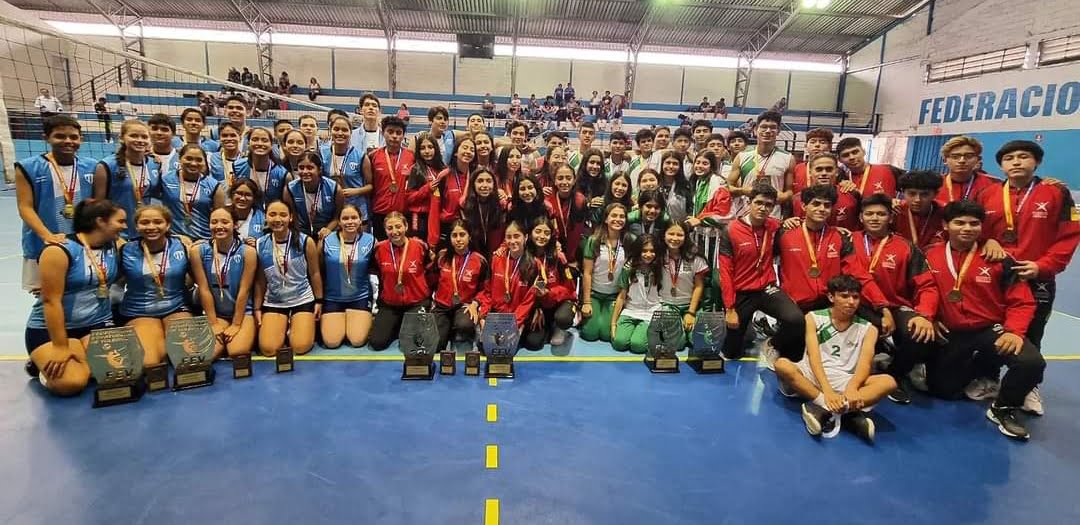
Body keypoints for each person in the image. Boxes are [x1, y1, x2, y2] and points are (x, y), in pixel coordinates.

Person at [924, 201, 1045, 440]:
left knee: (1030, 362)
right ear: (945, 225)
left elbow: (1022, 301)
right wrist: (931, 317)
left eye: (974, 223)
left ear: (982, 227)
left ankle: (1003, 408)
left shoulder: (999, 258)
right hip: (951, 329)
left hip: (990, 328)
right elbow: (922, 290)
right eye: (959, 223)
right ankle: (979, 373)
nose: (967, 228)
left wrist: (1014, 332)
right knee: (943, 391)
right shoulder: (930, 254)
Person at [974, 141, 1079, 414]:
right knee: (993, 325)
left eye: (1024, 157)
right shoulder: (987, 194)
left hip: (1036, 275)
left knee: (1032, 332)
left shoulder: (1056, 193)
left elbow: (1069, 236)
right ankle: (988, 376)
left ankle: (1027, 386)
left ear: (1037, 162)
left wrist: (1043, 266)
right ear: (1001, 165)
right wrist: (988, 241)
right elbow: (974, 228)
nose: (1017, 162)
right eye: (1010, 158)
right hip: (997, 274)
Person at [774, 275, 896, 442]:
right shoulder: (813, 318)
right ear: (831, 297)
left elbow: (865, 363)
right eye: (844, 296)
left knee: (888, 382)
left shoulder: (869, 329)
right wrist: (828, 392)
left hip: (845, 381)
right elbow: (813, 356)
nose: (851, 302)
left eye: (855, 297)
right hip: (814, 375)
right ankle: (840, 411)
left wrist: (852, 388)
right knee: (782, 365)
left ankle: (821, 409)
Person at [24, 199, 125, 393]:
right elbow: (50, 301)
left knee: (119, 372)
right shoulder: (59, 250)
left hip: (97, 324)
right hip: (52, 331)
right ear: (101, 221)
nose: (124, 226)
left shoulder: (114, 245)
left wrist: (182, 240)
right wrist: (61, 347)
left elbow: (146, 246)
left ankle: (81, 359)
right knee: (72, 383)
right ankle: (43, 367)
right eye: (120, 221)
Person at [849, 194, 939, 404]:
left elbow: (927, 285)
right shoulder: (848, 240)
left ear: (890, 217)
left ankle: (894, 374)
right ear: (861, 217)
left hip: (895, 306)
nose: (874, 218)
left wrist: (925, 314)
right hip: (855, 304)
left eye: (881, 214)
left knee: (919, 333)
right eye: (869, 214)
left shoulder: (906, 247)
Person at [717, 184, 805, 363]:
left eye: (768, 205)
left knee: (796, 320)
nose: (763, 208)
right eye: (758, 202)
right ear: (749, 202)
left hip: (766, 288)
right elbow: (725, 271)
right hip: (741, 292)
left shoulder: (774, 226)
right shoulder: (731, 230)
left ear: (773, 207)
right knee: (730, 353)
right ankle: (742, 334)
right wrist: (730, 308)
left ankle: (773, 343)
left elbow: (803, 228)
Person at [15, 115, 98, 293]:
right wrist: (47, 235)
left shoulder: (92, 166)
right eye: (60, 136)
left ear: (81, 139)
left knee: (82, 289)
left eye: (74, 137)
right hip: (43, 243)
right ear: (46, 138)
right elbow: (25, 207)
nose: (68, 141)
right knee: (47, 295)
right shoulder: (28, 167)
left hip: (82, 242)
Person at [116, 205, 193, 366]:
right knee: (149, 362)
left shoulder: (182, 246)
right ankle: (157, 344)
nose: (151, 227)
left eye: (158, 222)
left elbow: (198, 279)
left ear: (168, 225)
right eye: (145, 223)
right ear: (136, 226)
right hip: (139, 312)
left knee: (187, 356)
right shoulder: (125, 250)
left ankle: (163, 345)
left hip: (176, 308)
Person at [254, 200, 323, 356]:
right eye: (272, 214)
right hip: (274, 301)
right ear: (266, 217)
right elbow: (260, 281)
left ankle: (294, 327)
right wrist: (258, 308)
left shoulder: (305, 241)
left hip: (302, 299)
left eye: (283, 215)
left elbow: (315, 273)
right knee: (269, 349)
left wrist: (319, 301)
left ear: (290, 218)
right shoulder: (260, 244)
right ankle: (283, 327)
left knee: (300, 347)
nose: (277, 219)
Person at [190, 207, 258, 359]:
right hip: (216, 313)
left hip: (242, 312)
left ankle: (246, 331)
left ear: (235, 225)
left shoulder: (248, 252)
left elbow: (244, 291)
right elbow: (204, 289)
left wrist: (236, 324)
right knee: (204, 355)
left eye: (225, 222)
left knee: (237, 351)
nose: (219, 226)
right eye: (214, 222)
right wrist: (213, 323)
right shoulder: (198, 251)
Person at [370, 212, 432, 351]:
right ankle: (398, 324)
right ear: (385, 230)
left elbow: (430, 273)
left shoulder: (420, 247)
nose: (394, 231)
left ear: (406, 226)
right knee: (377, 343)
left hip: (416, 302)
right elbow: (378, 276)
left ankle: (407, 325)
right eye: (389, 228)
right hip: (390, 304)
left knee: (410, 345)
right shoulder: (379, 249)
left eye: (398, 226)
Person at [92, 119, 161, 239]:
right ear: (122, 138)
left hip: (144, 231)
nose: (139, 140)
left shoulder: (154, 164)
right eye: (134, 136)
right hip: (117, 234)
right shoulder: (106, 166)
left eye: (144, 137)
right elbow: (98, 205)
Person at [318, 204, 375, 348]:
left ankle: (365, 319)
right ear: (339, 222)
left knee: (357, 341)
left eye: (354, 217)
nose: (350, 221)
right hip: (333, 298)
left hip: (360, 297)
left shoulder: (370, 241)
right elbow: (318, 269)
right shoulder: (326, 240)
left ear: (361, 220)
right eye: (345, 218)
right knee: (331, 342)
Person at [580, 204, 634, 342]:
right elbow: (587, 273)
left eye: (622, 216)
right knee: (589, 334)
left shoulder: (629, 241)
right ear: (606, 219)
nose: (618, 219)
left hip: (614, 296)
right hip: (594, 294)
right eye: (614, 216)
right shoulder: (594, 240)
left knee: (605, 334)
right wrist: (586, 302)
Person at [728, 111, 795, 220]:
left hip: (772, 217)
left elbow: (789, 191)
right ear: (755, 130)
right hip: (746, 215)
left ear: (778, 131)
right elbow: (728, 187)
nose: (768, 131)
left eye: (773, 127)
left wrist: (783, 196)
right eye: (764, 127)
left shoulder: (788, 158)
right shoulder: (742, 156)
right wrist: (744, 191)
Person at [521, 217, 576, 349]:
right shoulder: (523, 257)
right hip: (535, 306)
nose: (542, 236)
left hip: (557, 304)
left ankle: (559, 327)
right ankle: (546, 326)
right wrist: (536, 308)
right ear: (530, 234)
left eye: (546, 233)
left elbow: (569, 289)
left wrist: (550, 293)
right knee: (533, 344)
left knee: (563, 318)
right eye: (538, 231)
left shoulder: (558, 257)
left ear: (552, 236)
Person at [477, 221, 537, 342]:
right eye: (509, 237)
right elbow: (488, 291)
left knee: (532, 343)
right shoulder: (496, 259)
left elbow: (528, 301)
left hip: (517, 317)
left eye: (516, 236)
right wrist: (483, 317)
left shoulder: (533, 265)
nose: (512, 241)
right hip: (497, 315)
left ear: (525, 237)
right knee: (487, 347)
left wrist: (515, 324)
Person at [432, 220, 487, 352]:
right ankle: (447, 329)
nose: (458, 239)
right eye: (454, 235)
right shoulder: (442, 257)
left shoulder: (479, 260)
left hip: (464, 305)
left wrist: (475, 304)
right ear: (450, 238)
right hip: (441, 306)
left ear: (469, 237)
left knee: (464, 326)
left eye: (462, 235)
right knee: (436, 345)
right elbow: (431, 281)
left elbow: (485, 289)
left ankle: (459, 328)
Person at [160, 144, 226, 240]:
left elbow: (219, 218)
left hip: (204, 240)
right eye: (189, 158)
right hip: (175, 240)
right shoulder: (166, 180)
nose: (193, 163)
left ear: (205, 162)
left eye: (199, 160)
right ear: (180, 159)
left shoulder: (214, 185)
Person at [363, 116, 414, 239]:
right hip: (380, 212)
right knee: (382, 249)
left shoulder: (411, 157)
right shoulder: (372, 156)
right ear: (382, 133)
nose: (394, 136)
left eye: (398, 133)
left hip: (404, 212)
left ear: (403, 135)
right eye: (390, 132)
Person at [658, 222, 707, 341]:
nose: (675, 238)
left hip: (689, 305)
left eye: (679, 235)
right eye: (671, 234)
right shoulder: (657, 255)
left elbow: (699, 286)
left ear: (686, 237)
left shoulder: (695, 258)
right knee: (678, 342)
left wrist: (691, 313)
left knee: (697, 340)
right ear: (664, 235)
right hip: (667, 305)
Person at [283, 151, 343, 239]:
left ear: (319, 169)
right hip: (302, 230)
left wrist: (327, 229)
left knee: (322, 243)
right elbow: (293, 217)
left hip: (328, 230)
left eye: (310, 168)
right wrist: (301, 235)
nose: (305, 171)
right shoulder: (290, 189)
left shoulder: (334, 188)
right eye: (301, 168)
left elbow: (337, 217)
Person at [323, 115, 370, 223]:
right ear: (330, 131)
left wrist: (355, 191)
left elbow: (370, 185)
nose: (340, 133)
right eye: (336, 129)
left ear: (351, 133)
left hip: (356, 208)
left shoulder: (360, 156)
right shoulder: (322, 153)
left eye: (344, 130)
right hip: (332, 208)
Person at [936, 136, 999, 206]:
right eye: (955, 157)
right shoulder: (934, 184)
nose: (962, 160)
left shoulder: (994, 184)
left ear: (978, 159)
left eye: (969, 156)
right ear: (945, 160)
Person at [233, 127, 289, 205]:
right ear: (248, 143)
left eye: (264, 140)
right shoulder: (237, 166)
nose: (259, 143)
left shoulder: (282, 174)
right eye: (255, 139)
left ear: (271, 145)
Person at [894, 170, 946, 251]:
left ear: (936, 194)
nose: (917, 199)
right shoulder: (895, 211)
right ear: (903, 192)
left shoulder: (945, 213)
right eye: (912, 194)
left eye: (924, 194)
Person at [836, 137, 901, 198]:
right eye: (846, 155)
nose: (852, 157)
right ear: (839, 160)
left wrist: (901, 203)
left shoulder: (887, 170)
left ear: (864, 152)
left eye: (855, 152)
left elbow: (910, 186)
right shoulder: (841, 179)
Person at [793, 128, 834, 196]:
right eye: (813, 142)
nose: (817, 145)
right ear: (806, 146)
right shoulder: (797, 168)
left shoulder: (837, 170)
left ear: (830, 146)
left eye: (822, 142)